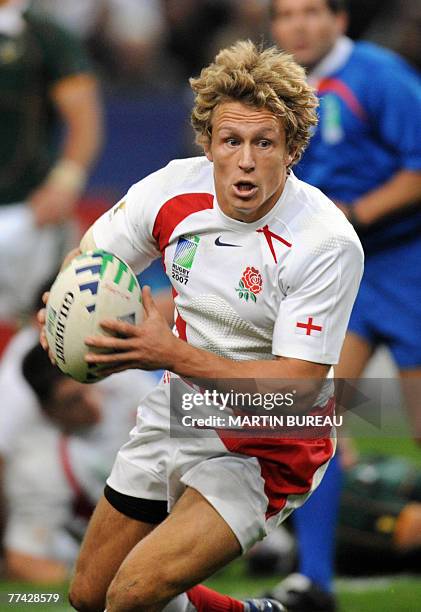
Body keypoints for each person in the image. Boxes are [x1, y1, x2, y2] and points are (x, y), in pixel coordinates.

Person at [39, 40, 363, 612]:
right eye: (230, 141)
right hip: (182, 411)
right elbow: (89, 260)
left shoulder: (325, 242)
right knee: (91, 596)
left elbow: (299, 384)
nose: (244, 160)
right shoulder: (170, 189)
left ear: (291, 148)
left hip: (274, 440)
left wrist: (168, 354)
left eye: (263, 142)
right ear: (207, 143)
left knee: (134, 594)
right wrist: (62, 313)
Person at [270, 0, 421, 609]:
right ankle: (315, 580)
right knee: (312, 419)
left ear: (340, 19)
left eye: (310, 11)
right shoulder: (277, 89)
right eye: (284, 15)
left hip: (407, 266)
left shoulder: (380, 78)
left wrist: (353, 216)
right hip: (343, 277)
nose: (297, 26)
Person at [1, 341, 157, 584]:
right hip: (106, 549)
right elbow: (21, 561)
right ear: (47, 411)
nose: (92, 404)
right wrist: (96, 580)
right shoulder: (38, 464)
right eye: (73, 401)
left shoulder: (120, 378)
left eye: (88, 387)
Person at [0, 0, 102, 345]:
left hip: (24, 215)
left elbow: (85, 121)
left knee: (37, 331)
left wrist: (64, 184)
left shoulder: (44, 36)